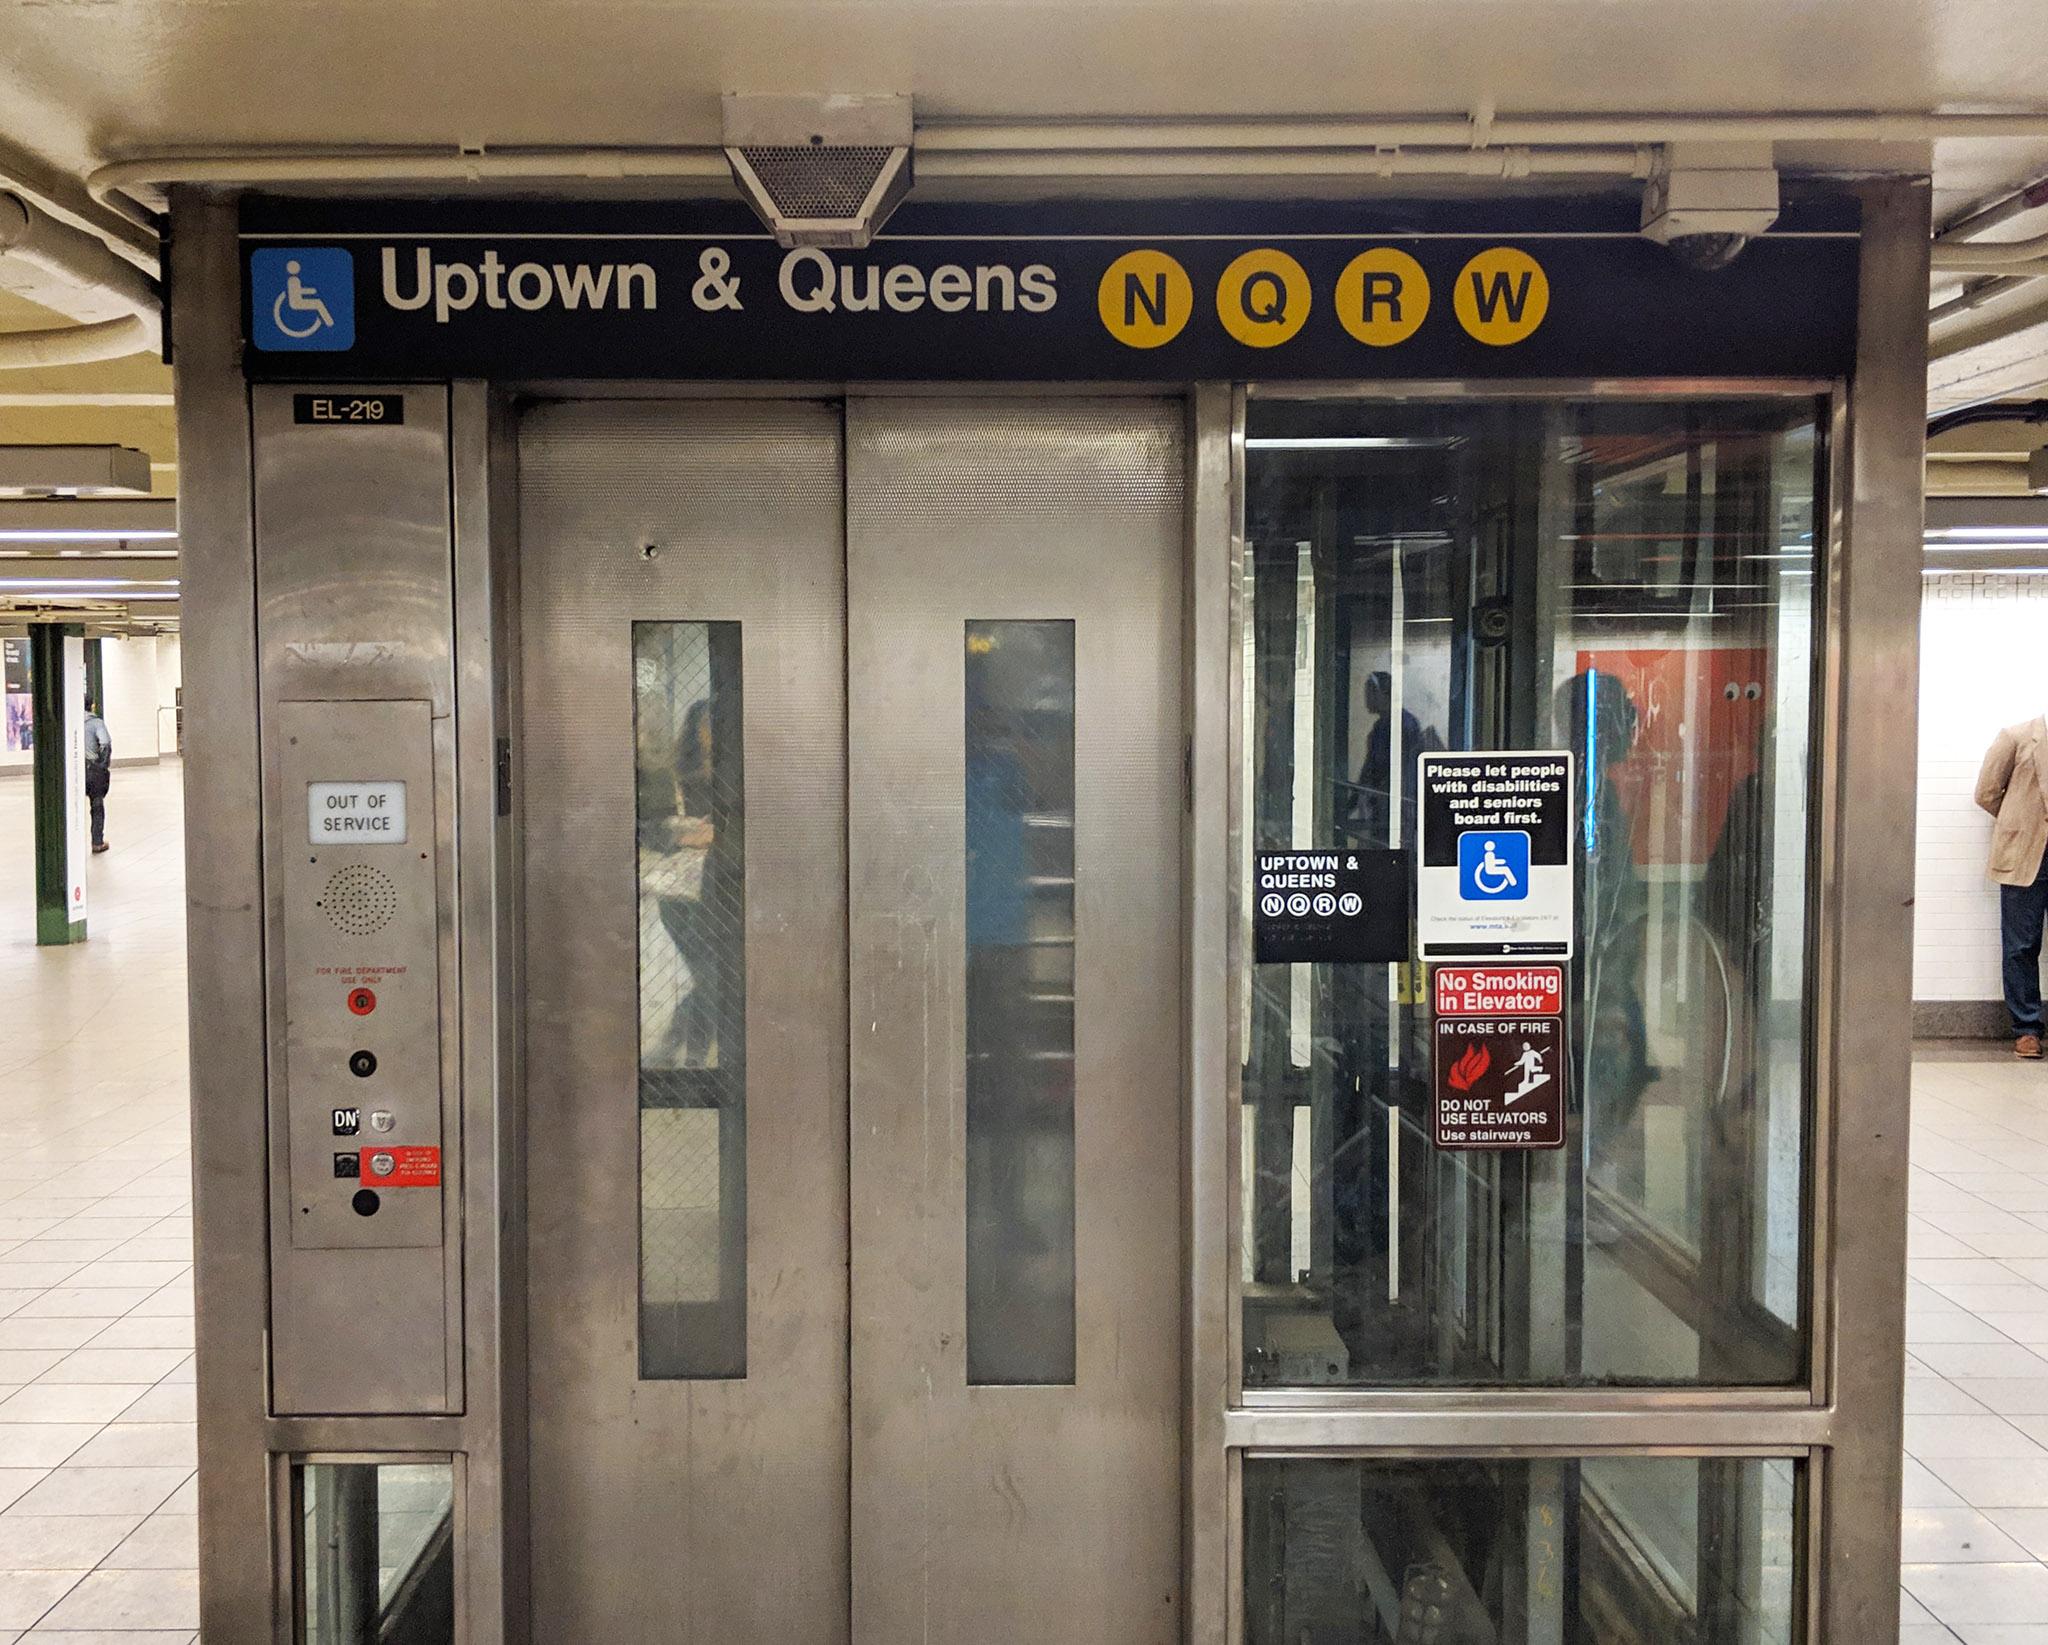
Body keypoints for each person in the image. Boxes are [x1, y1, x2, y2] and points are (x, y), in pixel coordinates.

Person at [1975, 715, 2048, 1057]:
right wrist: (2017, 822)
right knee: (2021, 946)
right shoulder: (2017, 737)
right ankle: (2027, 1029)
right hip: (2025, 855)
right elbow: (1986, 793)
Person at [82, 697, 111, 854]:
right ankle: (97, 842)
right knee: (97, 805)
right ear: (91, 706)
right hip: (92, 770)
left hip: (74, 770)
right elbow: (105, 743)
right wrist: (102, 766)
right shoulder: (96, 723)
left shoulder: (69, 723)